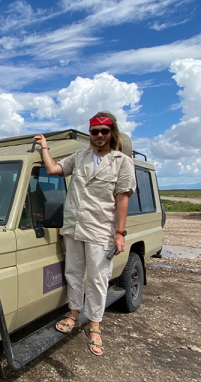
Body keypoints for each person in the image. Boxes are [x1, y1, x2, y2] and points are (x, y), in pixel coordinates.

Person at [34, 112, 136, 356]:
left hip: (101, 228)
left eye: (104, 131)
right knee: (73, 273)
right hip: (73, 226)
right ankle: (73, 315)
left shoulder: (122, 162)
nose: (99, 136)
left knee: (98, 279)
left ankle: (95, 326)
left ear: (112, 133)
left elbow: (122, 199)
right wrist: (45, 148)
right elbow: (53, 169)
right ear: (90, 134)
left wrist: (120, 233)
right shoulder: (80, 157)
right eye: (94, 131)